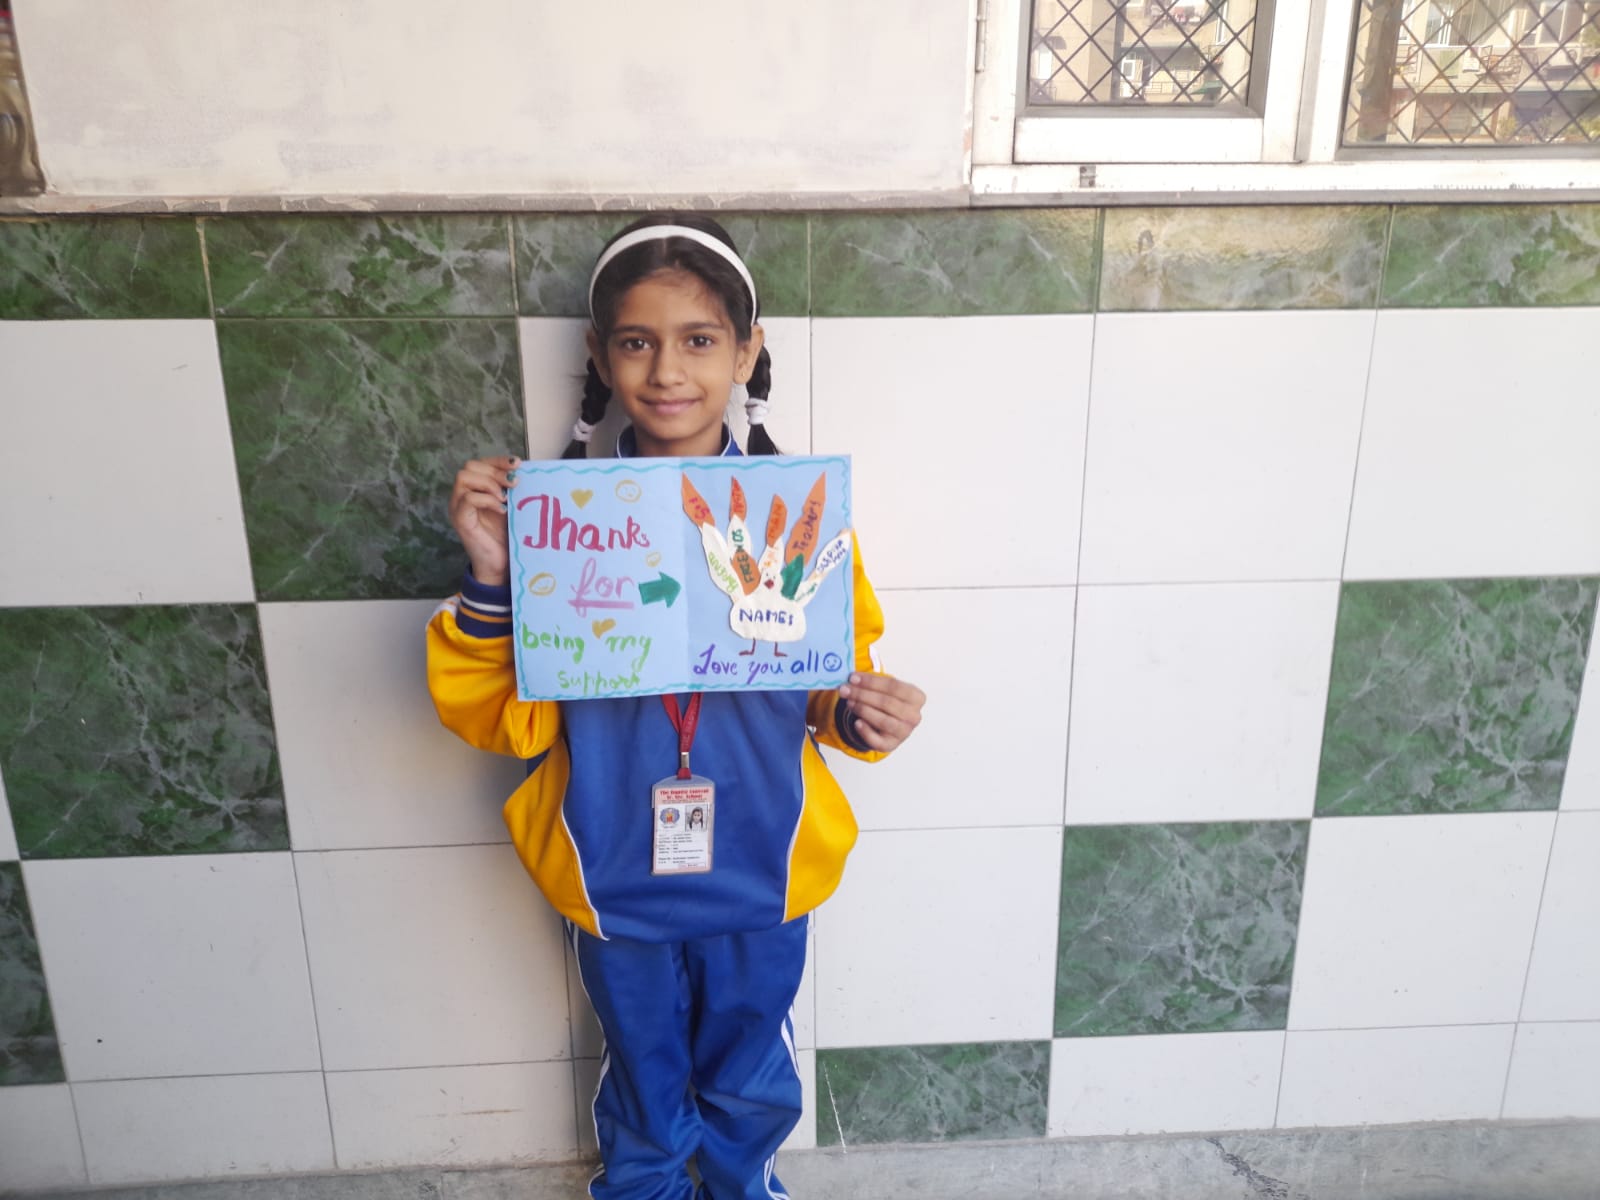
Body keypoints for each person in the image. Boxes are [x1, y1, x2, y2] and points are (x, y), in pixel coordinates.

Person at [427, 214, 926, 1200]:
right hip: (611, 865)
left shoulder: (798, 519)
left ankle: (743, 1188)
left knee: (749, 1071)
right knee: (644, 1073)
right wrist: (492, 575)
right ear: (599, 355)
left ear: (746, 351)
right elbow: (501, 721)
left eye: (698, 339)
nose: (666, 371)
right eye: (636, 341)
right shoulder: (555, 528)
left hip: (763, 862)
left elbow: (827, 688)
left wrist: (864, 712)